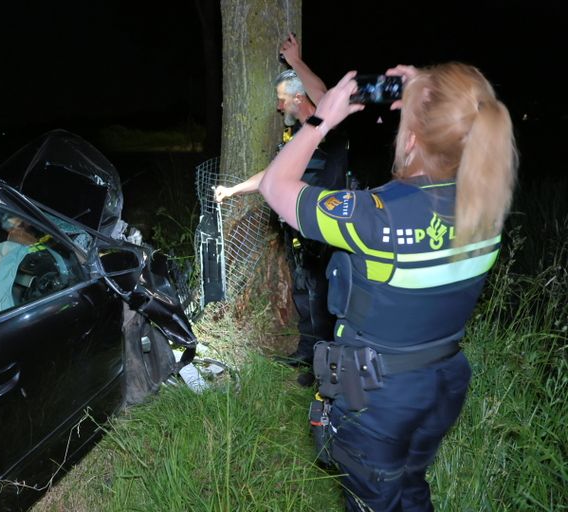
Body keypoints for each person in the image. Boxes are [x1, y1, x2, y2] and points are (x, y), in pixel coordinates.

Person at [258, 63, 517, 510]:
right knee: (410, 483)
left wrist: (323, 119)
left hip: (377, 398)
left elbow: (274, 185)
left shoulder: (375, 217)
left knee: (372, 498)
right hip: (441, 384)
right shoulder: (487, 211)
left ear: (412, 137)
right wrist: (429, 96)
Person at [214, 33, 348, 373]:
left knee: (324, 296)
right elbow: (272, 175)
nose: (277, 107)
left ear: (298, 98)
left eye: (281, 99)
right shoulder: (297, 140)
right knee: (304, 293)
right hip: (300, 231)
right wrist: (233, 190)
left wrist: (296, 62)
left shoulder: (325, 129)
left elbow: (325, 96)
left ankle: (324, 364)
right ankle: (307, 352)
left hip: (326, 232)